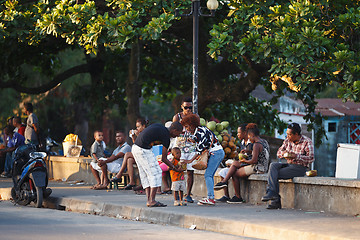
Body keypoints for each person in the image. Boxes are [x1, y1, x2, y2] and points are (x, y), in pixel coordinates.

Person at [261, 123, 314, 209]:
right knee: (273, 165)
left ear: (296, 134)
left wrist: (296, 156)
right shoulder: (287, 141)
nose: (288, 136)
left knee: (274, 174)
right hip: (289, 164)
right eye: (287, 134)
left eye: (289, 135)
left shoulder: (307, 141)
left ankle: (275, 199)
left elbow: (311, 158)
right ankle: (272, 193)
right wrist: (285, 154)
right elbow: (278, 153)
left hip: (299, 167)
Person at [131, 122, 183, 207]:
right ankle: (152, 200)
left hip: (136, 148)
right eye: (178, 133)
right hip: (143, 150)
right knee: (156, 172)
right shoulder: (166, 136)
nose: (177, 136)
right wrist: (174, 168)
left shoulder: (160, 127)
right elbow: (164, 158)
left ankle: (149, 200)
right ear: (174, 130)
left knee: (146, 174)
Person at [215, 123, 270, 203]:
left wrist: (244, 161)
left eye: (249, 136)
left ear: (251, 135)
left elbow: (254, 161)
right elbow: (259, 153)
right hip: (263, 166)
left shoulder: (256, 145)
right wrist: (248, 151)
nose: (248, 138)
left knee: (235, 173)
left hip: (258, 168)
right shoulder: (263, 141)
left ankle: (237, 196)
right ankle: (224, 182)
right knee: (235, 165)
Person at [181, 114, 225, 205]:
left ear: (192, 125)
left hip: (215, 153)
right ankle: (210, 197)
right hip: (218, 152)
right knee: (209, 175)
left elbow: (199, 150)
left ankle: (210, 198)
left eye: (187, 127)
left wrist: (189, 161)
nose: (186, 129)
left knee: (208, 175)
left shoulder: (200, 132)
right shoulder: (201, 129)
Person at [215, 124, 253, 202]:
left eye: (239, 133)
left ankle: (226, 184)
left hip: (248, 164)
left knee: (234, 167)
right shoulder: (242, 143)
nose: (237, 135)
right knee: (223, 172)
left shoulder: (251, 143)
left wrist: (239, 161)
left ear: (245, 133)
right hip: (242, 163)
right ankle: (226, 195)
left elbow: (251, 157)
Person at [110, 118, 147, 190]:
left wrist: (138, 135)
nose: (137, 128)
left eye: (139, 127)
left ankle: (119, 175)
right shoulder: (141, 134)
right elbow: (136, 145)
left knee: (127, 154)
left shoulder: (146, 133)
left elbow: (143, 145)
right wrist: (133, 138)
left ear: (144, 126)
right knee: (129, 160)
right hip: (139, 154)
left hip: (145, 154)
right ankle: (132, 182)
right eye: (136, 127)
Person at [172, 96, 197, 203]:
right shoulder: (177, 116)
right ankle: (177, 193)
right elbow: (173, 130)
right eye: (186, 107)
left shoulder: (195, 116)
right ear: (182, 107)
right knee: (178, 169)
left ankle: (188, 194)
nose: (188, 110)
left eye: (190, 107)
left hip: (191, 147)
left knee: (190, 171)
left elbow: (198, 129)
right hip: (180, 147)